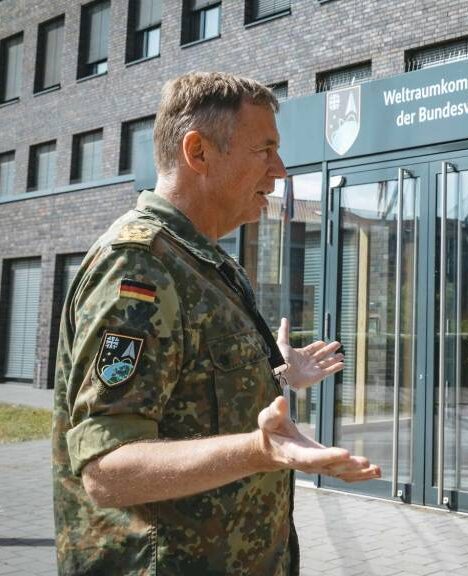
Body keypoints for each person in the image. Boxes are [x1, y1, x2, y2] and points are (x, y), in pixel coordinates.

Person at [51, 72, 381, 575]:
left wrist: (274, 369)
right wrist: (259, 450)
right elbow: (106, 470)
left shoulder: (204, 261)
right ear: (198, 153)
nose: (280, 171)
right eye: (264, 150)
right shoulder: (138, 267)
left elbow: (192, 388)